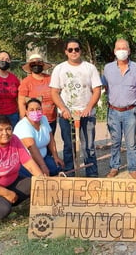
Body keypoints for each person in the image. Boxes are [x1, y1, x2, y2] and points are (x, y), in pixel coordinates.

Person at [50, 38, 102, 177]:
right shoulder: (59, 69)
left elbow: (97, 89)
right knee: (68, 147)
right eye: (71, 50)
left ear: (81, 51)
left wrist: (88, 108)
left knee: (88, 146)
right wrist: (64, 109)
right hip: (66, 116)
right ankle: (69, 174)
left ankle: (91, 175)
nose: (74, 52)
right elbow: (54, 92)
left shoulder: (89, 68)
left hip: (87, 115)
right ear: (66, 52)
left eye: (77, 49)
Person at [102, 39, 136, 179]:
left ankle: (132, 168)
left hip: (130, 111)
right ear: (115, 51)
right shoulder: (108, 68)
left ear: (129, 51)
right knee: (115, 142)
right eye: (118, 48)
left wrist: (133, 101)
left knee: (131, 143)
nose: (121, 50)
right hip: (113, 111)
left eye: (124, 48)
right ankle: (114, 167)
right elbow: (104, 87)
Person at [14, 98, 64, 177]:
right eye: (32, 110)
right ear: (26, 112)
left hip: (43, 157)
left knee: (57, 167)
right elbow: (32, 149)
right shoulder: (23, 126)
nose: (35, 112)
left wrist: (56, 157)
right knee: (37, 176)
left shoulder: (44, 119)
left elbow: (51, 140)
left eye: (38, 109)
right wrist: (42, 166)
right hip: (27, 161)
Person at [18, 54, 56, 134]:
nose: (36, 66)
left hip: (51, 119)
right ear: (30, 67)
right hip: (34, 120)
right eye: (33, 64)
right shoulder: (26, 82)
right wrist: (24, 119)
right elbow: (21, 102)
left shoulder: (51, 79)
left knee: (50, 142)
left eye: (39, 64)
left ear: (43, 65)